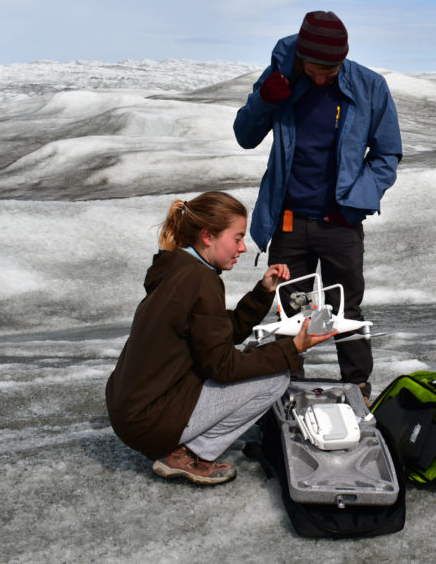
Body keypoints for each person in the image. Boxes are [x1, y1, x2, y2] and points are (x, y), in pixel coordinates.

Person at [105, 192, 335, 485]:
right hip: (148, 420)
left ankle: (181, 442)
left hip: (132, 408)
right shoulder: (201, 281)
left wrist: (263, 292)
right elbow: (223, 367)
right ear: (207, 236)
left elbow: (219, 334)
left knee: (255, 354)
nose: (242, 247)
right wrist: (293, 347)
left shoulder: (178, 268)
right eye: (237, 238)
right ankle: (187, 454)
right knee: (276, 377)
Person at [233, 11, 402, 400]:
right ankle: (287, 386)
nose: (322, 77)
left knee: (348, 311)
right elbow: (245, 135)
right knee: (294, 314)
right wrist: (264, 100)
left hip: (341, 224)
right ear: (300, 59)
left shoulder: (369, 86)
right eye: (314, 69)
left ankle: (357, 386)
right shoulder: (281, 78)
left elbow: (387, 153)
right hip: (290, 223)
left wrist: (359, 198)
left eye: (331, 69)